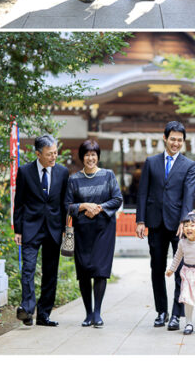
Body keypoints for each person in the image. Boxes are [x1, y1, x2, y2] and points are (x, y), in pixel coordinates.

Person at [136, 121, 195, 332]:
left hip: (179, 225)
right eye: (173, 139)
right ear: (165, 138)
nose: (176, 143)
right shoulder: (151, 162)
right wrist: (140, 220)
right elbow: (143, 192)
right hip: (155, 222)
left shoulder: (189, 165)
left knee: (180, 270)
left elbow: (189, 195)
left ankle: (176, 314)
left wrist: (184, 221)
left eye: (180, 140)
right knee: (157, 268)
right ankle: (161, 311)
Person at [64, 140, 123, 327]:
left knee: (100, 270)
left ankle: (97, 312)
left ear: (98, 156)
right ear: (82, 157)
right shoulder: (74, 179)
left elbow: (117, 199)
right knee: (84, 271)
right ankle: (88, 313)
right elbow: (66, 205)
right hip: (82, 231)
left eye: (93, 154)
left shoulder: (108, 175)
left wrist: (98, 208)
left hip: (104, 230)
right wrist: (83, 206)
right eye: (87, 155)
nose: (90, 158)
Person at [13, 134, 69, 326]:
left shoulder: (62, 172)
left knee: (50, 272)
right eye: (49, 154)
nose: (54, 157)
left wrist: (65, 228)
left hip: (54, 229)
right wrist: (18, 230)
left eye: (55, 153)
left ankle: (44, 315)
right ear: (38, 154)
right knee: (28, 269)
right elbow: (19, 203)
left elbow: (64, 202)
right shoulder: (25, 171)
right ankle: (27, 310)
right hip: (30, 227)